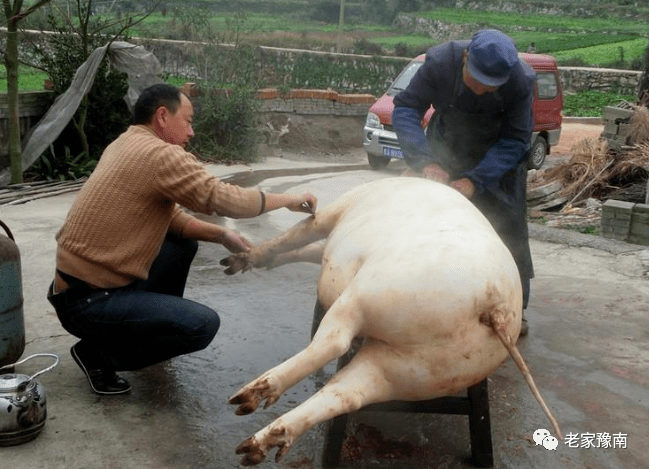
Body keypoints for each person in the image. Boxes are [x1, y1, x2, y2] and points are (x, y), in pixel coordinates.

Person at [47, 83, 317, 395]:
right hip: (90, 303)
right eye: (187, 122)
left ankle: (139, 329)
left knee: (180, 245)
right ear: (162, 116)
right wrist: (288, 199)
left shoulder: (125, 143)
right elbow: (226, 199)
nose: (191, 133)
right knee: (202, 325)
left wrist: (221, 234)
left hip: (70, 292)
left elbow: (168, 216)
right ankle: (98, 354)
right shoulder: (162, 155)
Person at [392, 29, 534, 337]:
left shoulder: (520, 80)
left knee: (506, 229)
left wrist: (476, 181)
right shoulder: (440, 63)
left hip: (499, 161)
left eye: (490, 86)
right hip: (446, 148)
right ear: (466, 59)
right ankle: (427, 296)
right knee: (433, 225)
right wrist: (426, 161)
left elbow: (516, 140)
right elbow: (405, 108)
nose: (482, 91)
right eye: (476, 81)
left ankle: (513, 305)